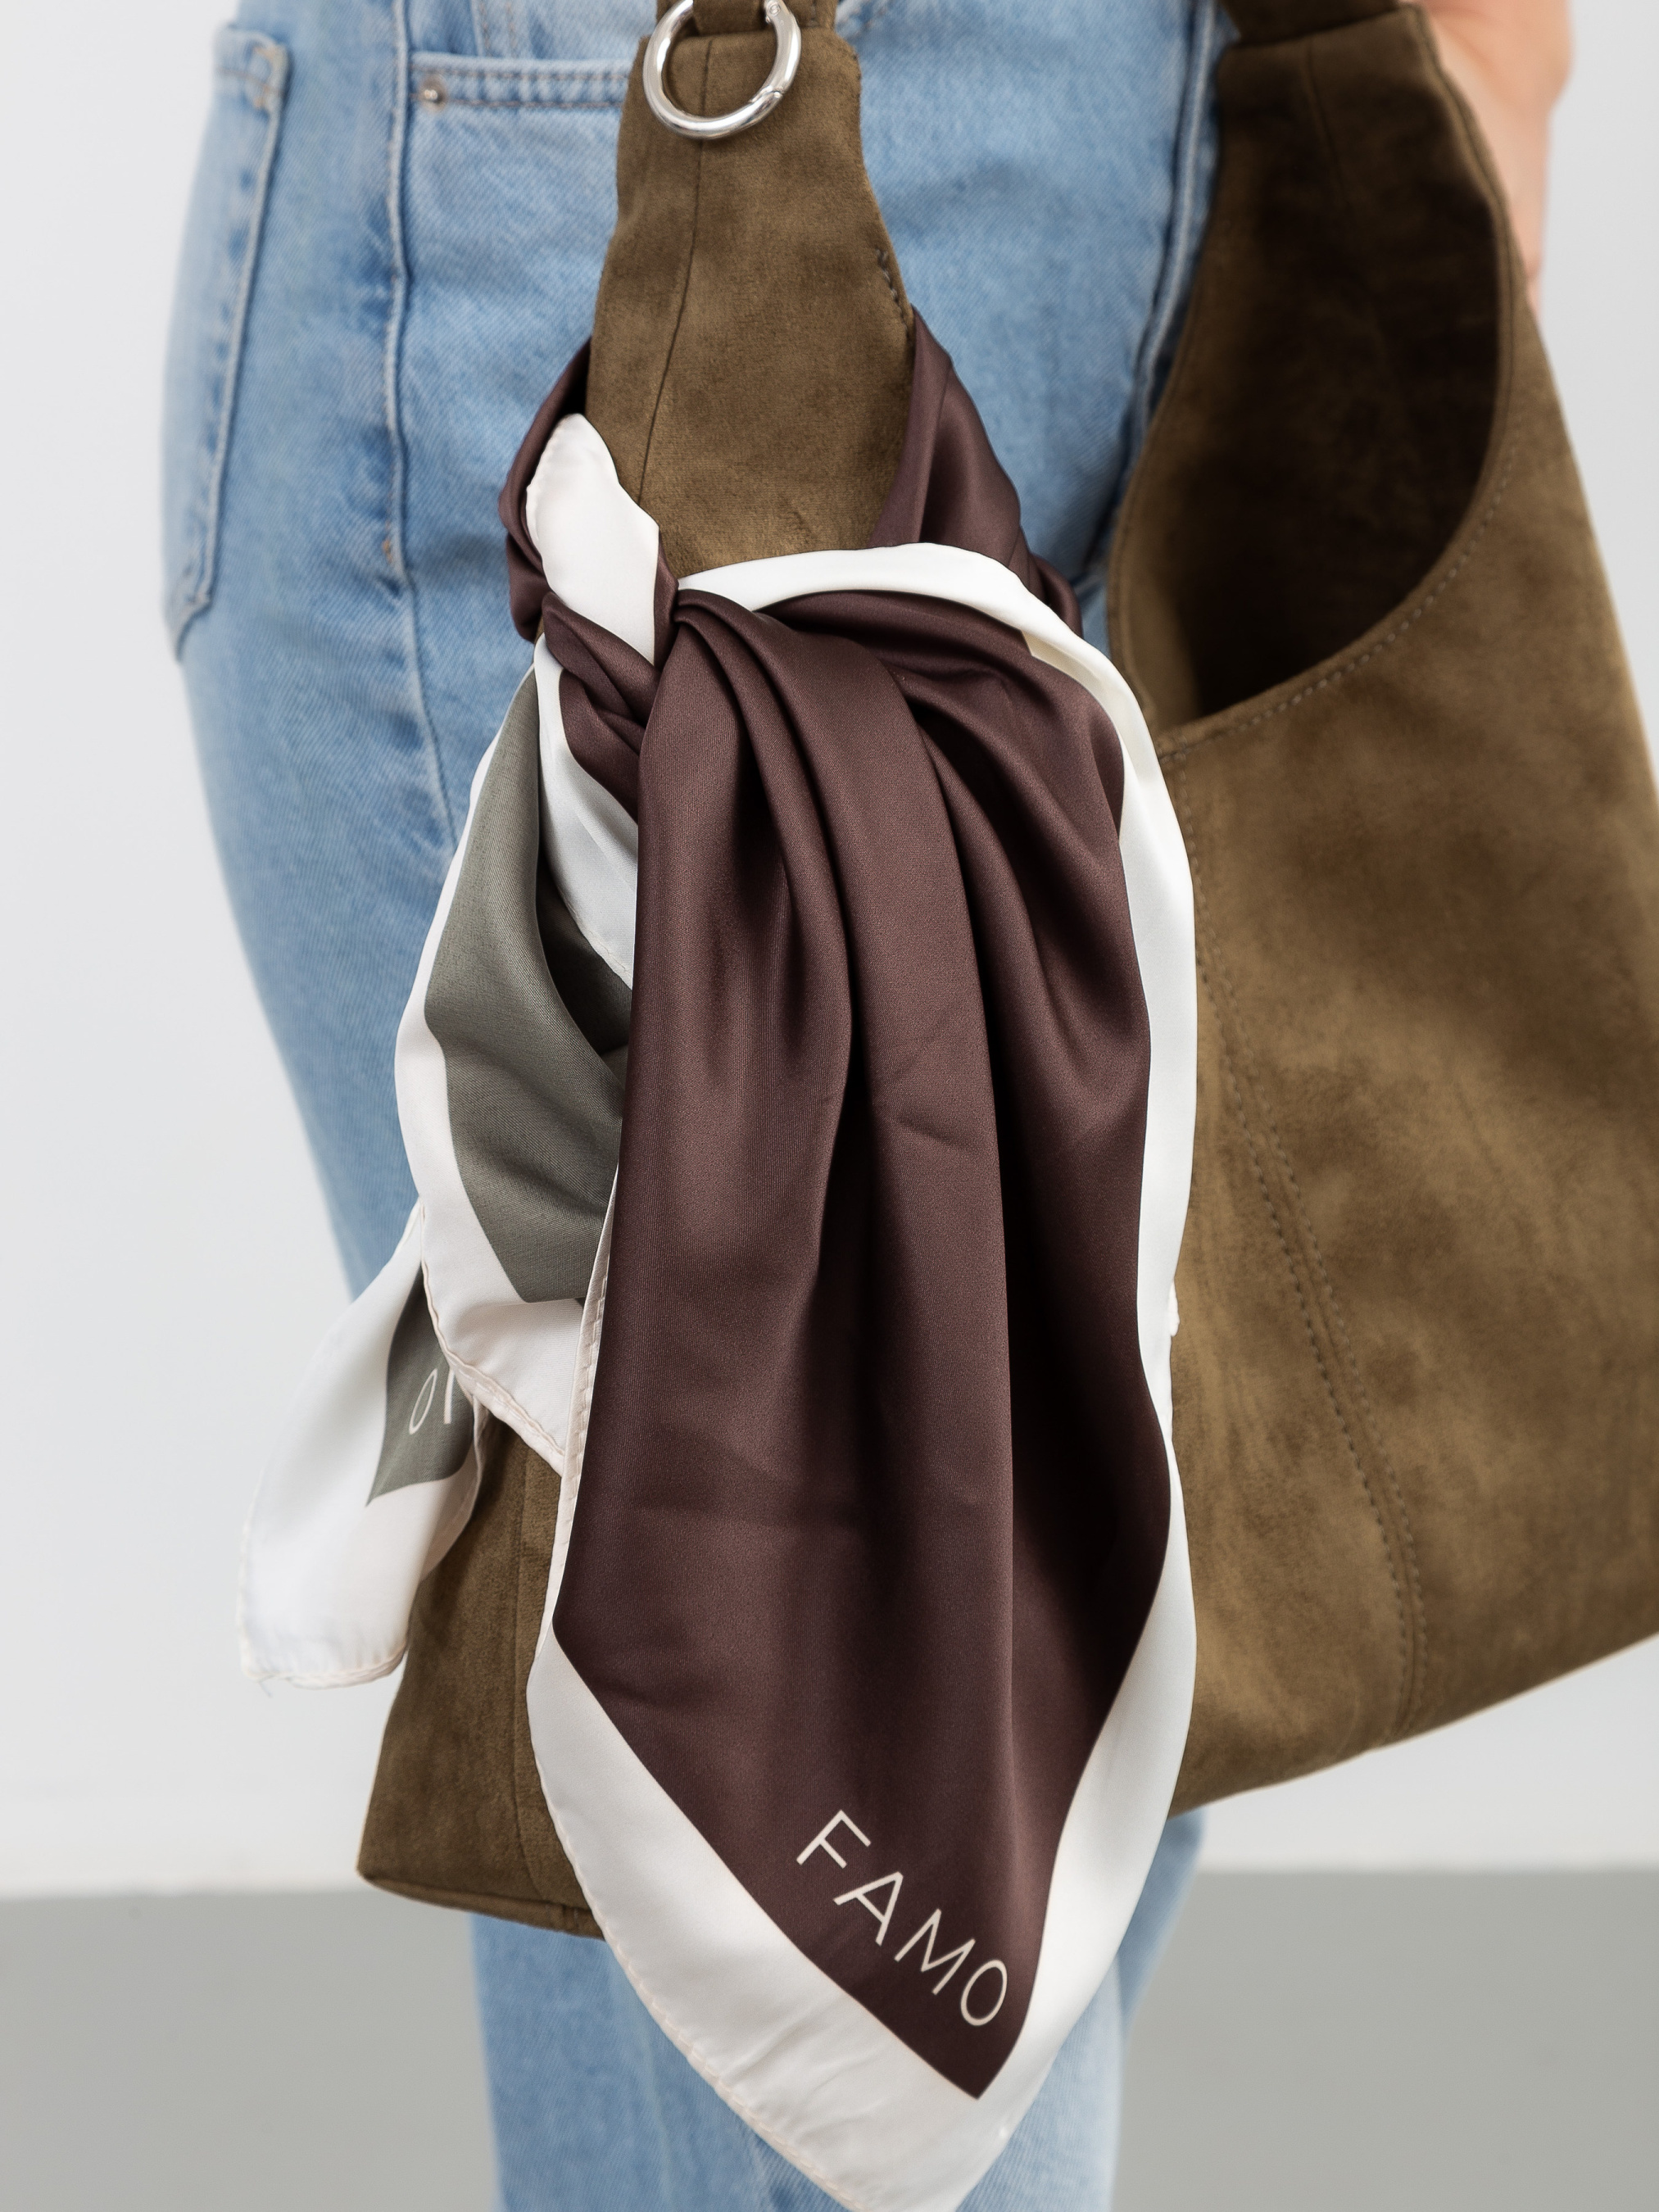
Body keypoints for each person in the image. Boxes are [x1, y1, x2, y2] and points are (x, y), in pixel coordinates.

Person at [162, 3, 1568, 2204]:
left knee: (1064, 1790)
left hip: (1175, 176)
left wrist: (1487, 55)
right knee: (864, 2025)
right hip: (623, 183)